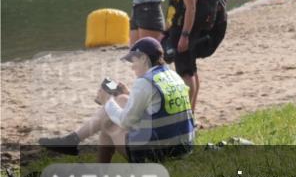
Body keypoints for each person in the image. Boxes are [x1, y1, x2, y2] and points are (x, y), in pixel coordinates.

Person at [39, 38, 195, 163]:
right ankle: (72, 141)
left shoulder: (145, 82)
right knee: (121, 99)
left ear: (144, 58)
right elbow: (160, 107)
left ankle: (79, 149)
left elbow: (126, 122)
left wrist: (107, 101)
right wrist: (129, 94)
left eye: (133, 61)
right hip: (184, 147)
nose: (132, 67)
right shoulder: (172, 75)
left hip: (160, 154)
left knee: (108, 122)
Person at [164, 0, 201, 111]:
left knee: (186, 73)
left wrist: (185, 35)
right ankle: (191, 115)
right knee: (191, 71)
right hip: (179, 28)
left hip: (183, 29)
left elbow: (190, 8)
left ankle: (186, 115)